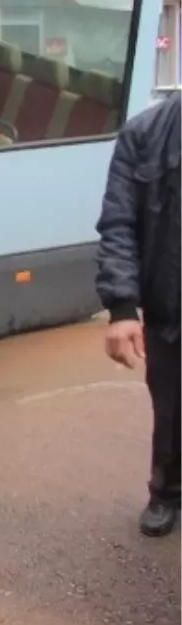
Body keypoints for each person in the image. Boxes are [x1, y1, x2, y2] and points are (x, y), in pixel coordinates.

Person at [96, 91, 182, 537]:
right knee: (171, 414)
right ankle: (167, 493)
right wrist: (123, 308)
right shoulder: (144, 134)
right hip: (172, 309)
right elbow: (119, 224)